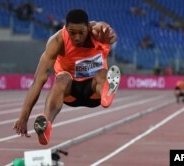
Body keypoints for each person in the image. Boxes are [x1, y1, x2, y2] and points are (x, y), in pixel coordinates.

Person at [13, 9, 120, 145]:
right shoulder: (57, 42)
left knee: (103, 73)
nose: (77, 37)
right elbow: (38, 81)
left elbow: (111, 34)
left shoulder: (98, 32)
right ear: (65, 28)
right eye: (72, 33)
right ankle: (46, 124)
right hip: (70, 92)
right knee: (62, 78)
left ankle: (107, 93)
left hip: (94, 91)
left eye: (81, 32)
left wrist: (110, 36)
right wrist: (23, 117)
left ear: (88, 27)